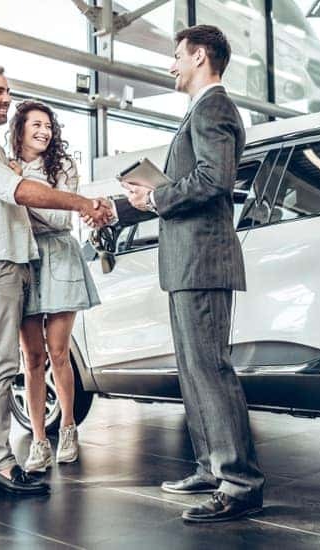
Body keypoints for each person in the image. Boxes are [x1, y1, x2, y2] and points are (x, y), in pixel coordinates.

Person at [85, 25, 265, 523]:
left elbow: (214, 179)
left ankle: (241, 483)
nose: (172, 65)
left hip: (203, 261)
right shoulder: (200, 112)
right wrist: (124, 206)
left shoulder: (214, 109)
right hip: (187, 263)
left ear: (200, 56)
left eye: (177, 57)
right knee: (194, 372)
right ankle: (211, 467)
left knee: (210, 370)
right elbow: (182, 186)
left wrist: (158, 196)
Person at [0, 63, 112, 496]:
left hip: (7, 262)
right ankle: (1, 464)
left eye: (7, 92)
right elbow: (18, 192)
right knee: (3, 363)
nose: (6, 99)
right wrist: (81, 203)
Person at [6, 100, 101, 472]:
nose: (44, 131)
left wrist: (24, 192)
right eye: (36, 125)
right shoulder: (7, 165)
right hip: (24, 257)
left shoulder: (63, 166)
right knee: (31, 358)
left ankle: (68, 427)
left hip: (60, 255)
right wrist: (16, 186)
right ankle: (40, 441)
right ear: (21, 129)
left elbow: (61, 216)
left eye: (48, 125)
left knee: (59, 353)